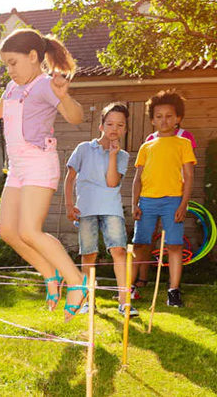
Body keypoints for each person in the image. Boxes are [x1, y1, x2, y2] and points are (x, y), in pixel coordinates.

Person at [0, 27, 87, 321]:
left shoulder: (44, 85)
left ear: (33, 57)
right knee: (8, 231)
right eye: (6, 64)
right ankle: (50, 275)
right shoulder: (12, 88)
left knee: (30, 230)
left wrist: (64, 97)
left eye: (13, 63)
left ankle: (77, 283)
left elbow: (76, 117)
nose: (9, 70)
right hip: (17, 168)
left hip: (39, 164)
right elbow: (0, 110)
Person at [64, 102, 137, 316]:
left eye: (120, 125)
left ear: (125, 129)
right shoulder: (83, 148)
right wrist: (69, 205)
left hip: (111, 208)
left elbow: (112, 182)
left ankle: (124, 303)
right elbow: (70, 179)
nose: (115, 129)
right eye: (110, 123)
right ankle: (88, 301)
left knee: (119, 251)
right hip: (86, 208)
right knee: (89, 254)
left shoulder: (123, 156)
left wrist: (113, 156)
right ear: (101, 125)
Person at [131, 90, 196, 307]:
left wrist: (183, 204)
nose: (164, 120)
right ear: (152, 120)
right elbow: (137, 178)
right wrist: (135, 203)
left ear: (178, 119)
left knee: (174, 246)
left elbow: (188, 177)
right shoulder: (146, 146)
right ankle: (129, 289)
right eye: (159, 116)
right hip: (147, 201)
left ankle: (173, 291)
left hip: (172, 201)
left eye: (169, 116)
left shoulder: (183, 144)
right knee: (140, 244)